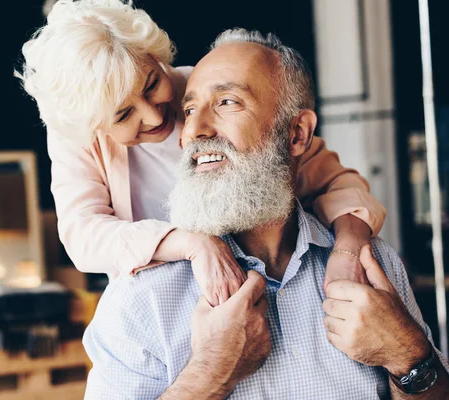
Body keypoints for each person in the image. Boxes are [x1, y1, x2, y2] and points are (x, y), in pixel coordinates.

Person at [82, 29, 449, 399]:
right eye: (189, 110)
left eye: (227, 102)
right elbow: (81, 227)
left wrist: (409, 356)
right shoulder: (141, 298)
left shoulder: (375, 264)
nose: (193, 130)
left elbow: (346, 184)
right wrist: (211, 371)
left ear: (297, 135)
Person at [17, 0, 386, 305]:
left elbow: (334, 179)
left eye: (151, 83)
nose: (153, 114)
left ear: (155, 56)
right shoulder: (79, 137)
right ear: (95, 127)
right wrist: (191, 243)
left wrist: (349, 247)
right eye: (124, 114)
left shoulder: (211, 91)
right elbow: (83, 234)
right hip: (163, 308)